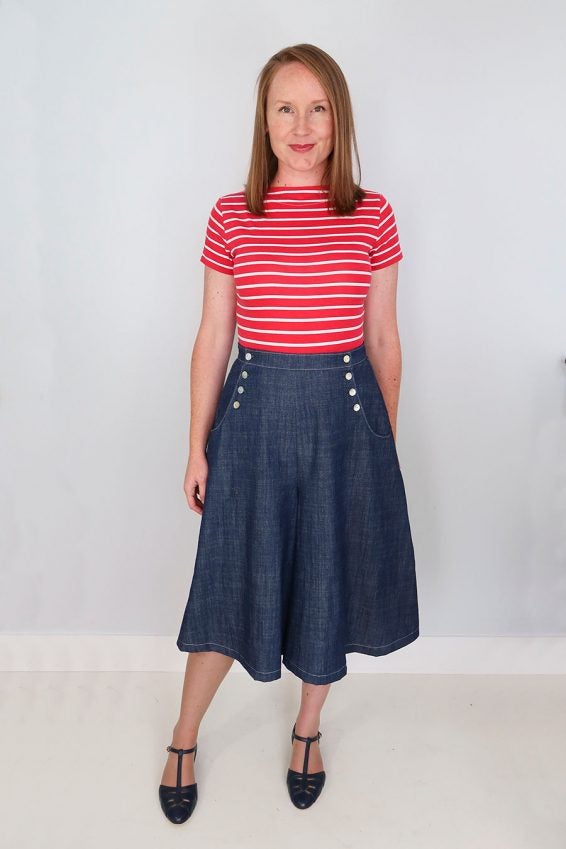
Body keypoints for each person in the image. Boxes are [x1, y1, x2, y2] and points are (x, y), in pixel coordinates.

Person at [158, 42, 419, 824]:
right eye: (285, 109)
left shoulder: (371, 213)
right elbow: (214, 337)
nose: (301, 127)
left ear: (339, 119)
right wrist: (196, 443)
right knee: (228, 580)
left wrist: (382, 448)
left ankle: (308, 728)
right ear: (264, 121)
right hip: (251, 423)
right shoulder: (232, 214)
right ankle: (183, 735)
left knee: (326, 583)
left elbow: (384, 340)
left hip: (347, 426)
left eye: (317, 109)